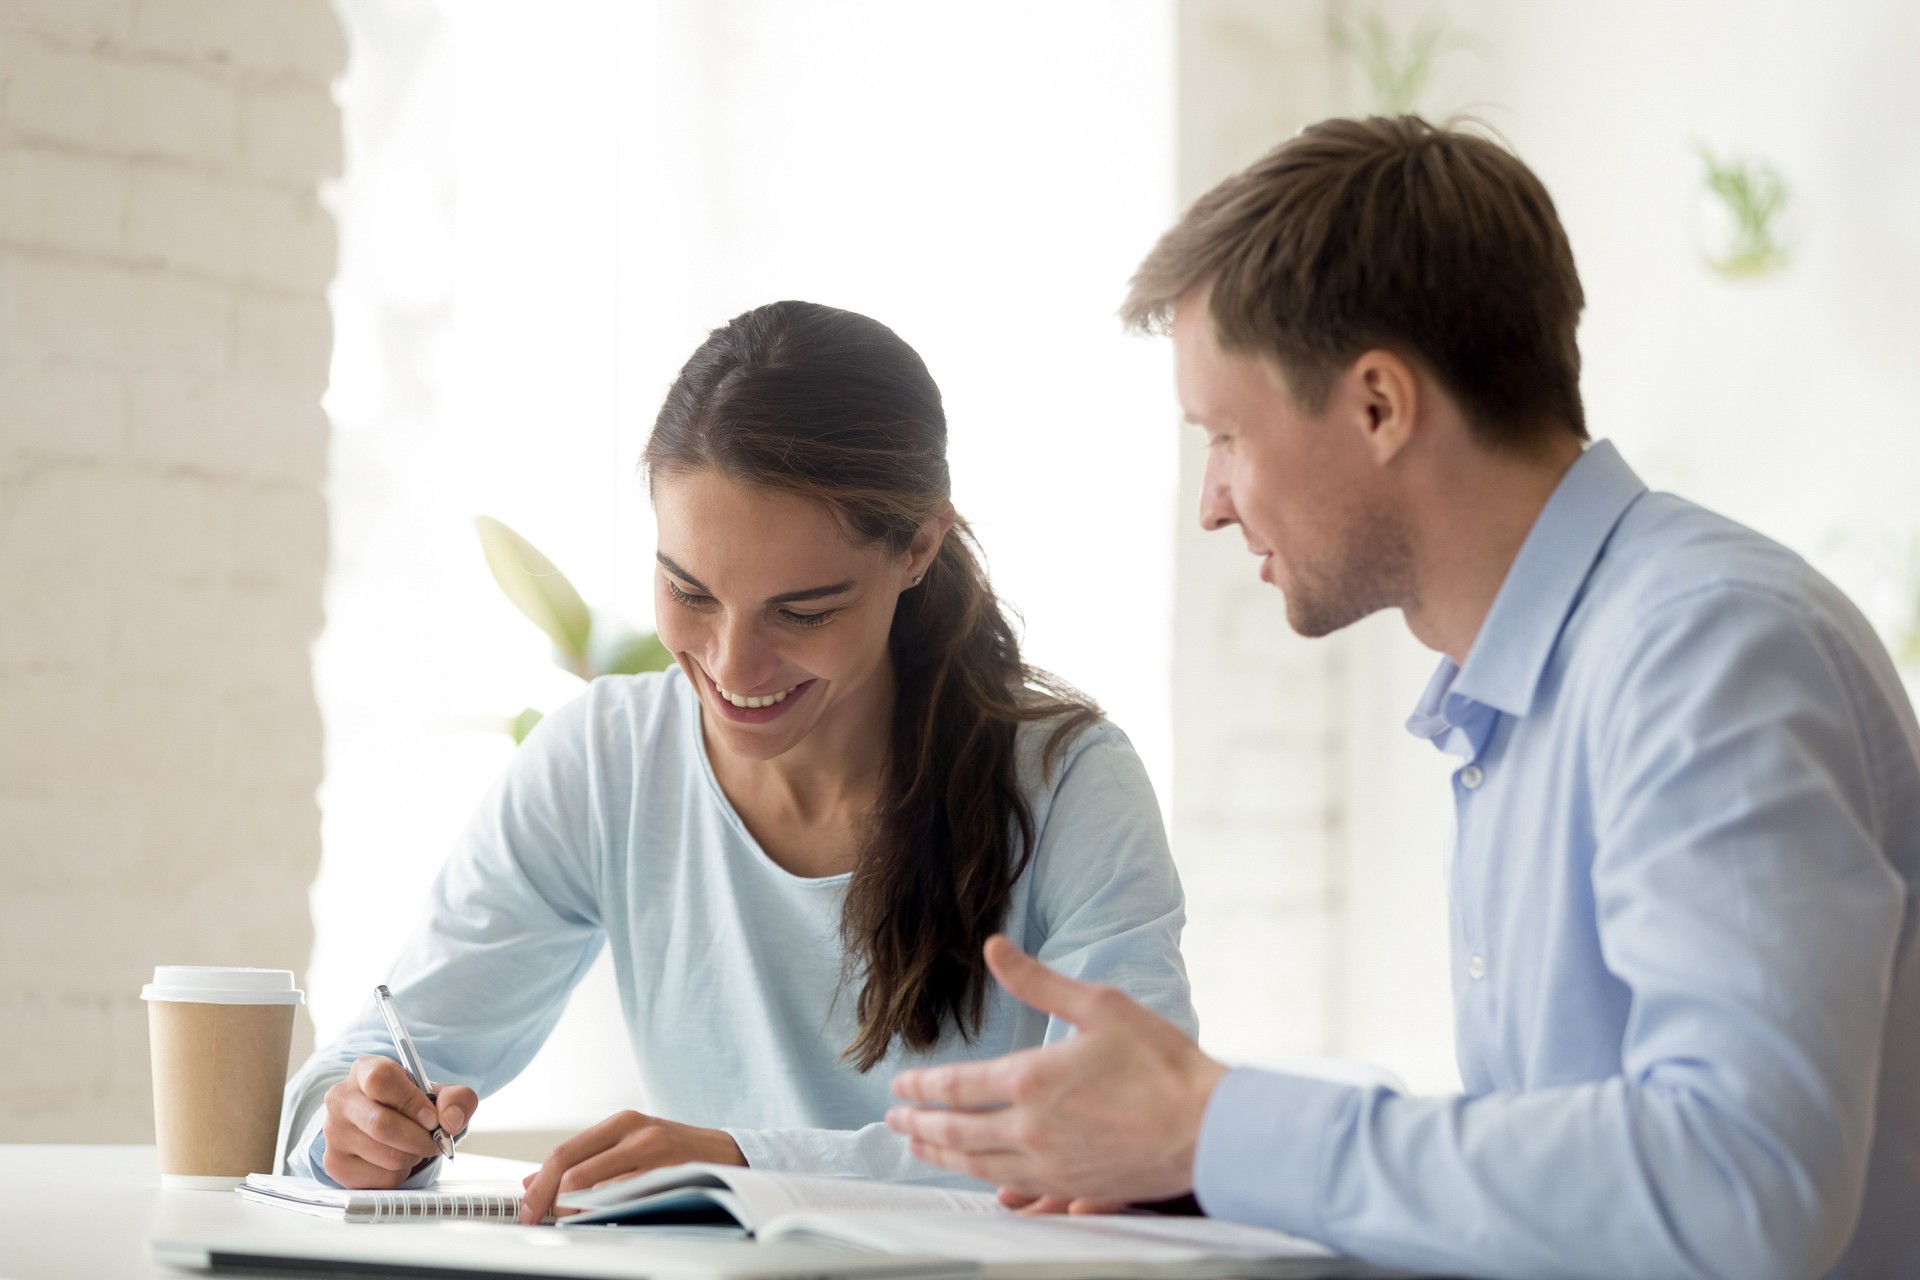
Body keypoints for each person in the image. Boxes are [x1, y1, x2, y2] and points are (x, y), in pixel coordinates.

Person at [887, 116, 1920, 1279]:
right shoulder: (1533, 687)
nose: (1212, 504)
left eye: (1226, 434)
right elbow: (1584, 1185)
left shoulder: (1703, 651)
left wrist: (1217, 1124)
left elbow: (1740, 1182)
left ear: (1380, 403)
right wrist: (1205, 1158)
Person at [277, 300, 1196, 1226]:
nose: (731, 666)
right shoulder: (605, 761)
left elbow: (1130, 1133)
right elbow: (360, 1072)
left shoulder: (1069, 782)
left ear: (918, 546)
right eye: (689, 592)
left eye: (803, 612)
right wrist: (350, 1132)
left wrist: (743, 1164)